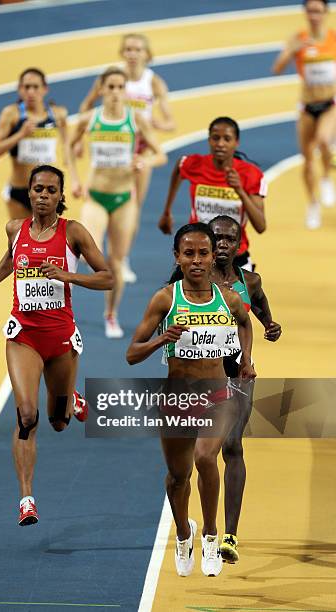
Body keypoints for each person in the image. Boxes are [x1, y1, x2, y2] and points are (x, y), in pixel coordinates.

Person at [0, 165, 113, 526]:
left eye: (51, 190)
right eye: (38, 189)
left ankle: (73, 400)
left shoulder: (73, 232)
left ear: (61, 196)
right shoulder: (15, 229)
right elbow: (9, 260)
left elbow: (107, 277)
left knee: (59, 421)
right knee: (27, 415)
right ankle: (26, 499)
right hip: (24, 337)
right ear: (29, 193)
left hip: (61, 338)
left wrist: (68, 275)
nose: (44, 195)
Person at [126, 222, 256, 577]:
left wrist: (246, 359)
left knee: (205, 457)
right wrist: (160, 339)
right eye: (189, 254)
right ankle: (185, 532)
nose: (196, 260)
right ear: (177, 257)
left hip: (217, 395)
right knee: (177, 477)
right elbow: (131, 353)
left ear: (214, 256)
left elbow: (246, 323)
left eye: (203, 253)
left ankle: (211, 535)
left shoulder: (227, 298)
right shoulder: (166, 298)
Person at [200, 215, 281, 564]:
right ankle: (201, 528)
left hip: (239, 373)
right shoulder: (193, 278)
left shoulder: (250, 280)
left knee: (232, 445)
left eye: (229, 239)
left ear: (239, 245)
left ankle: (229, 536)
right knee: (193, 457)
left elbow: (261, 310)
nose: (221, 244)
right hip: (200, 373)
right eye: (216, 238)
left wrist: (271, 326)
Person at [70, 66, 167, 339]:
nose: (114, 92)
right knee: (89, 252)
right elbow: (68, 144)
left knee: (116, 261)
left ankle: (110, 313)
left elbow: (160, 154)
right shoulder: (90, 119)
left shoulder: (135, 119)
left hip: (124, 199)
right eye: (110, 87)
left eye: (119, 87)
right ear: (101, 90)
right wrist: (76, 179)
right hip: (96, 197)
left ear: (125, 91)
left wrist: (144, 161)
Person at [79, 33, 175, 282]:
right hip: (113, 146)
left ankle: (122, 257)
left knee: (132, 204)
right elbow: (87, 106)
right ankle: (105, 254)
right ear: (123, 52)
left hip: (139, 152)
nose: (133, 54)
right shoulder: (113, 78)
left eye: (138, 49)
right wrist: (80, 140)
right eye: (129, 49)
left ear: (147, 54)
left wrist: (155, 122)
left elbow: (170, 121)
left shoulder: (154, 83)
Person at [158, 116, 267, 271]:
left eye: (227, 139)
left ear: (236, 143)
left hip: (234, 261)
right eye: (215, 138)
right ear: (209, 140)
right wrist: (167, 211)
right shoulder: (195, 164)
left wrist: (240, 191)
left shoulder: (251, 174)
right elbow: (179, 166)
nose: (220, 144)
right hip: (197, 259)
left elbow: (261, 226)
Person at [272, 0, 336, 229]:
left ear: (325, 13)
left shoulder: (333, 38)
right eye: (310, 10)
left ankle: (327, 177)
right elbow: (277, 69)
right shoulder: (297, 38)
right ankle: (313, 203)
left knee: (323, 140)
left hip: (330, 105)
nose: (314, 15)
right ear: (305, 13)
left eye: (318, 11)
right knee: (308, 161)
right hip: (307, 107)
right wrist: (292, 49)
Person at [0, 67, 73, 219]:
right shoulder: (11, 114)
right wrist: (20, 134)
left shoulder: (58, 114)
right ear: (19, 89)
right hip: (20, 191)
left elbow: (67, 142)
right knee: (19, 241)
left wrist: (70, 169)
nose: (31, 92)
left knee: (49, 241)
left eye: (35, 87)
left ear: (45, 89)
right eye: (26, 87)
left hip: (49, 191)